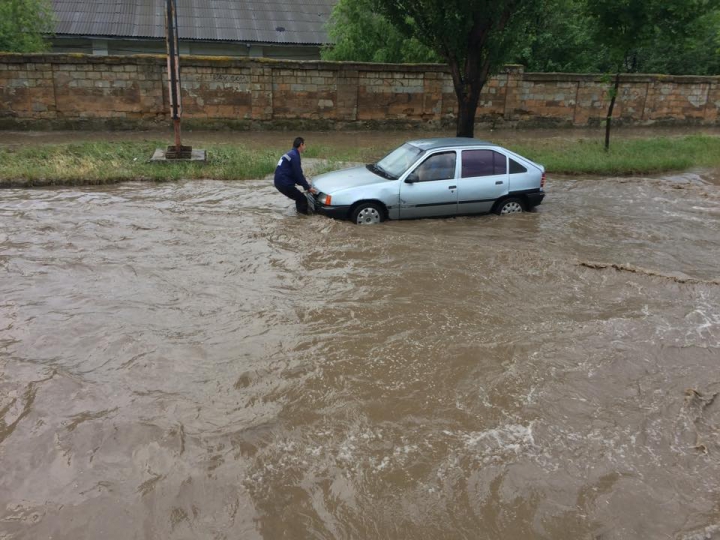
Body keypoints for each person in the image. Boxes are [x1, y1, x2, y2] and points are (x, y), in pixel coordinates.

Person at [274, 137, 317, 215]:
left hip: (278, 182)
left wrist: (306, 186)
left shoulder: (291, 153)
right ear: (301, 144)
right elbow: (298, 174)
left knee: (299, 198)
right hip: (284, 182)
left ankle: (298, 215)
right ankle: (302, 219)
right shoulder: (295, 156)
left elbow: (295, 175)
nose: (305, 147)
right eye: (305, 145)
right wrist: (308, 188)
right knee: (302, 199)